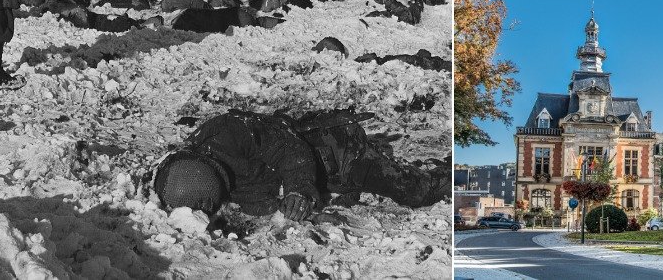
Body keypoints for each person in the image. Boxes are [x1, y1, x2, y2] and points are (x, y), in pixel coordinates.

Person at [153, 108, 450, 221]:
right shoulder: (184, 167)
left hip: (339, 152)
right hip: (323, 173)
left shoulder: (229, 131)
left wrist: (298, 192)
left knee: (417, 193)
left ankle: (452, 172)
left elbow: (289, 149)